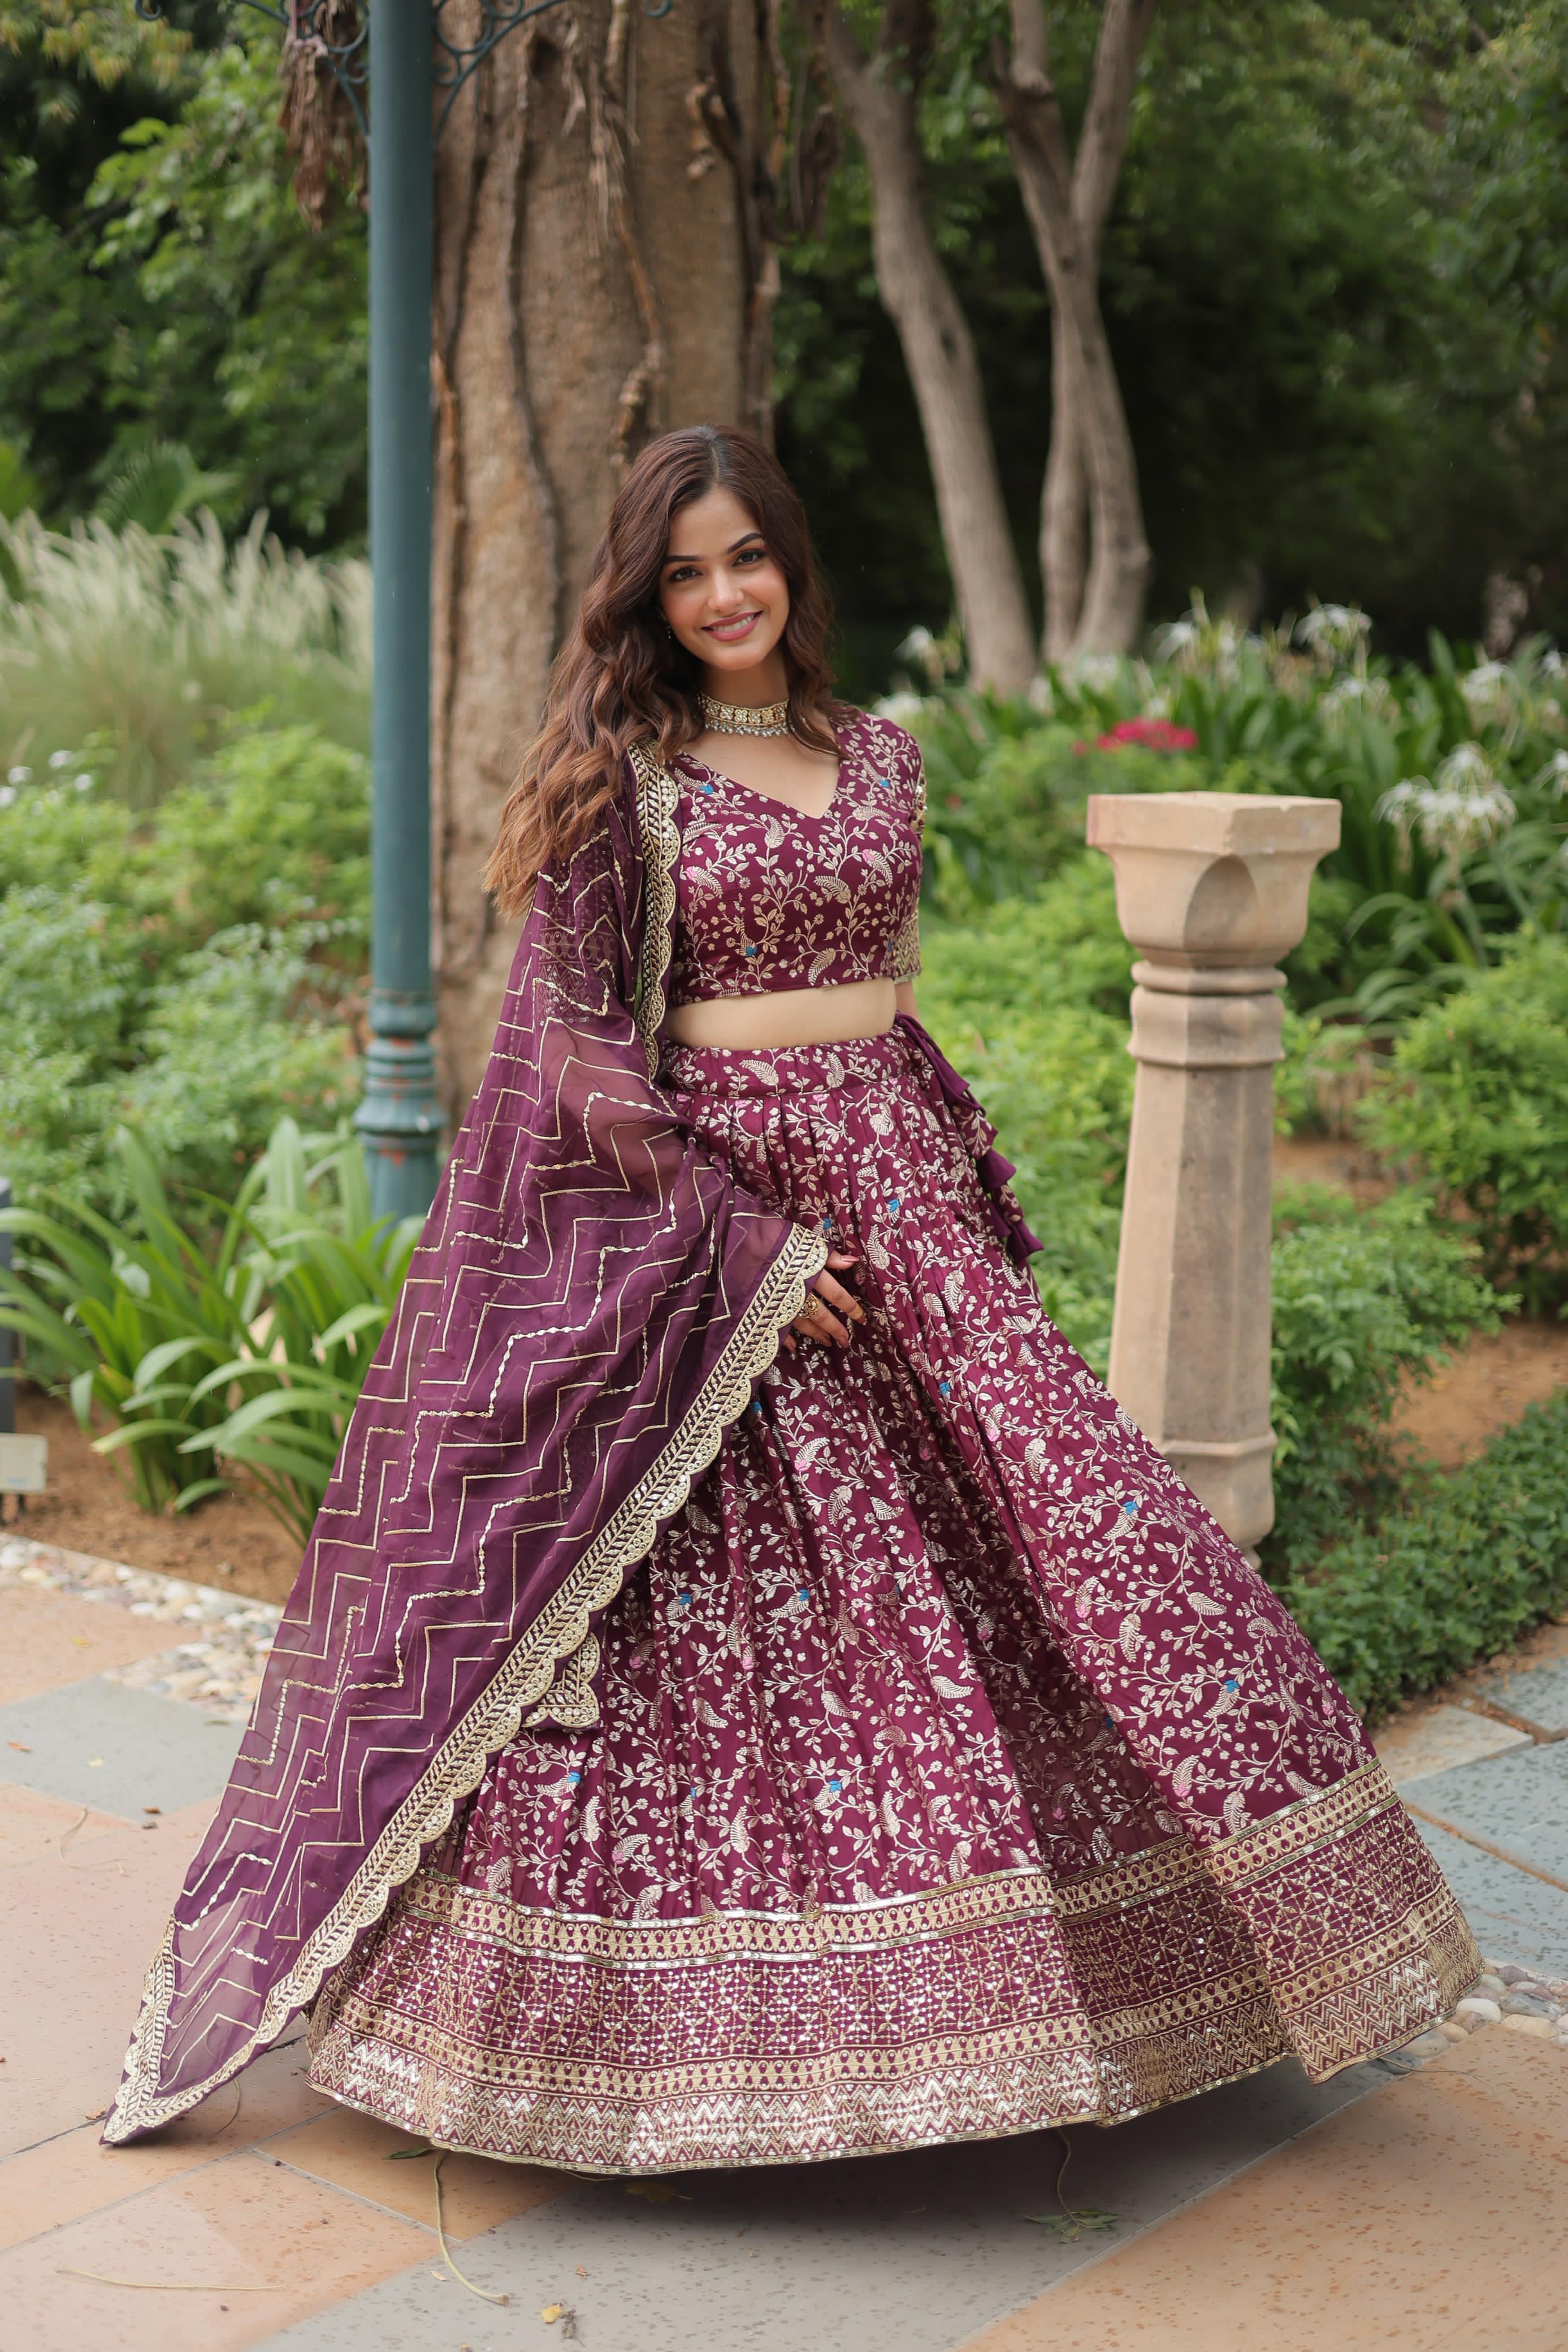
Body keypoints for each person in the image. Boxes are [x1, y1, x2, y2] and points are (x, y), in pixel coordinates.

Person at [106, 425, 1475, 2172]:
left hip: (900, 1217)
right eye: (684, 570)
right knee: (739, 1615)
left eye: (745, 555)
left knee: (1083, 1559)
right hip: (721, 1244)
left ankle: (1101, 1981)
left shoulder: (887, 761)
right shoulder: (627, 786)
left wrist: (944, 1200)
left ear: (791, 562)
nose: (723, 593)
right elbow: (578, 1059)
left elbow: (886, 1007)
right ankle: (689, 2052)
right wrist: (738, 1237)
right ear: (644, 596)